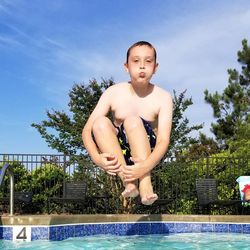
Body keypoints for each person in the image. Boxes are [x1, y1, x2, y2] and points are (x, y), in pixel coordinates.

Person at [82, 41, 173, 205]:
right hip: (120, 151)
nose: (142, 66)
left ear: (156, 67)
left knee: (132, 120)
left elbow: (163, 140)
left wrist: (146, 166)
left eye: (148, 61)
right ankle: (129, 182)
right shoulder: (113, 92)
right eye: (136, 61)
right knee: (100, 123)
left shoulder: (163, 97)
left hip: (147, 151)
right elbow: (87, 131)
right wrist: (96, 158)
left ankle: (145, 183)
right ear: (126, 67)